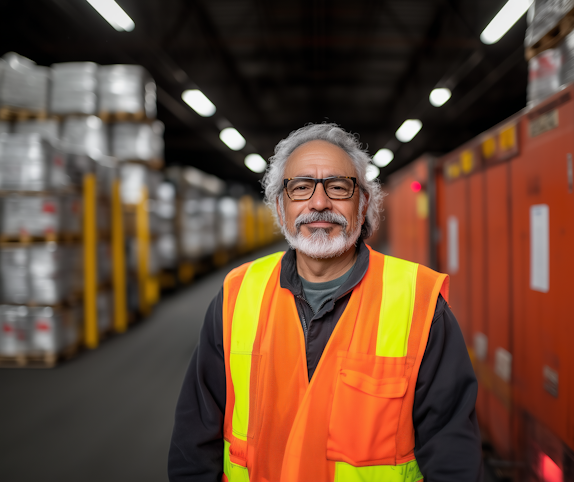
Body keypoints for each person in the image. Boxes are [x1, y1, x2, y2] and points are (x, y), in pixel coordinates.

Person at [168, 123, 482, 482]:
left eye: (337, 187)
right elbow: (193, 441)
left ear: (362, 204)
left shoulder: (419, 303)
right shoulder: (237, 295)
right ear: (280, 206)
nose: (319, 203)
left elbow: (453, 453)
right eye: (301, 188)